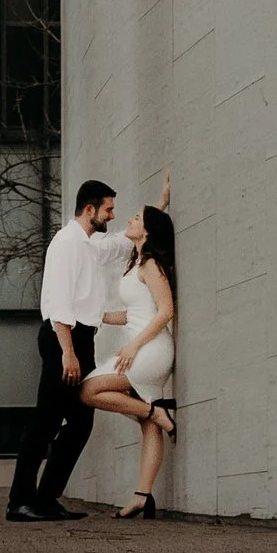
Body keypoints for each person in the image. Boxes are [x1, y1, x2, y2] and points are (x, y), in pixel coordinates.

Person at [5, 165, 170, 524]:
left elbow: (122, 243)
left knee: (80, 423)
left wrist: (158, 210)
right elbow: (58, 305)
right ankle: (20, 501)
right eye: (108, 209)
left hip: (81, 340)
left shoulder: (89, 245)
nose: (113, 215)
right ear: (90, 209)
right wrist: (67, 352)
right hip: (63, 339)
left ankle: (47, 498)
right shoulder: (66, 244)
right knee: (45, 423)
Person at [82, 203, 177, 517]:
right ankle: (142, 495)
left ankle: (155, 411)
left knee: (88, 391)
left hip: (150, 350)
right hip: (141, 346)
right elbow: (134, 314)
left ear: (147, 230)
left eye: (137, 218)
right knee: (147, 423)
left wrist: (135, 346)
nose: (129, 219)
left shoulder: (151, 265)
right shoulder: (138, 263)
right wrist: (97, 316)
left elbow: (165, 311)